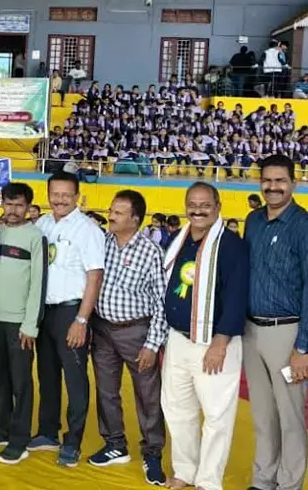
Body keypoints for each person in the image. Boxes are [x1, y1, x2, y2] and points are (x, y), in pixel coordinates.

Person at [161, 182, 249, 490]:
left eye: (205, 205)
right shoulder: (178, 239)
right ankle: (185, 471)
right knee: (177, 410)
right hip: (178, 339)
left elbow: (237, 295)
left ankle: (209, 481)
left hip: (214, 342)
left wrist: (221, 341)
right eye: (192, 204)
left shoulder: (231, 245)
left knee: (216, 415)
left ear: (218, 206)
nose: (198, 210)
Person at [89, 190, 167, 485]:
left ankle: (153, 453)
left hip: (137, 332)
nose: (111, 216)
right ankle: (114, 444)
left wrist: (152, 344)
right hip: (103, 330)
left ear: (135, 219)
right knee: (106, 390)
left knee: (147, 395)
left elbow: (161, 301)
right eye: (111, 210)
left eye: (118, 212)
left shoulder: (151, 252)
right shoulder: (102, 243)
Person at [30, 171, 105, 467]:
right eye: (55, 194)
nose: (60, 200)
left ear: (77, 197)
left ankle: (72, 441)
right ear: (48, 195)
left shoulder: (88, 230)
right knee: (47, 375)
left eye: (66, 195)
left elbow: (95, 277)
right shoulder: (43, 224)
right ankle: (47, 432)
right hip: (45, 312)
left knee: (75, 379)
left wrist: (82, 320)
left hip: (71, 313)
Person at [243, 154, 308, 490]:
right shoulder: (252, 221)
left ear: (293, 183)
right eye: (267, 180)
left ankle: (289, 484)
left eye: (280, 180)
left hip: (288, 333)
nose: (273, 187)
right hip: (251, 332)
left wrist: (303, 348)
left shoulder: (303, 225)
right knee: (262, 414)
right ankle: (263, 478)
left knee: (290, 416)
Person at [0, 182, 46, 465]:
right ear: (1, 203)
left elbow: (38, 283)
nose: (13, 210)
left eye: (19, 205)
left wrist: (31, 325)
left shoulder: (35, 237)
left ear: (28, 207)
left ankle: (19, 439)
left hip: (20, 325)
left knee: (21, 382)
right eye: (9, 204)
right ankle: (2, 428)